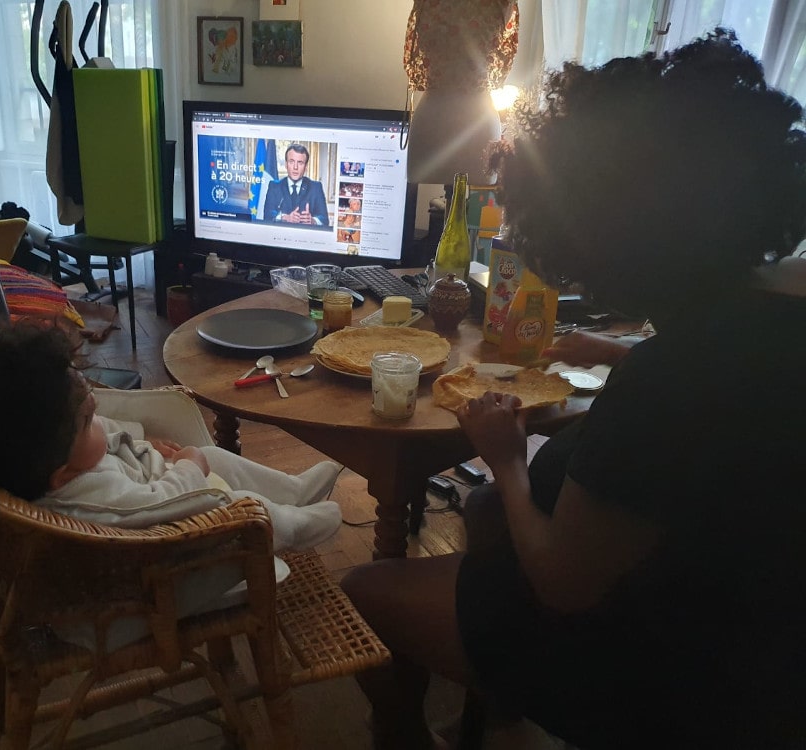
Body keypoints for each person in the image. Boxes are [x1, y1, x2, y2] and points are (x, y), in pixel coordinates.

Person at [341, 29, 806, 750]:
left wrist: (507, 456)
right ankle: (497, 712)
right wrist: (619, 349)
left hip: (674, 666)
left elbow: (563, 584)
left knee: (367, 589)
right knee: (491, 509)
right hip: (764, 621)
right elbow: (722, 381)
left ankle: (411, 732)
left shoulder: (671, 382)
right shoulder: (777, 303)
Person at [0, 321, 343, 555]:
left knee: (213, 455)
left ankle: (294, 490)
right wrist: (189, 467)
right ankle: (291, 526)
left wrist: (148, 442)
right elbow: (162, 505)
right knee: (241, 506)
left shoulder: (55, 458)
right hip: (174, 550)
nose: (101, 422)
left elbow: (109, 439)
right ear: (61, 475)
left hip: (155, 485)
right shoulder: (91, 498)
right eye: (89, 419)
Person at [263, 143, 329, 226]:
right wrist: (284, 218)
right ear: (286, 164)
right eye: (291, 162)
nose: (295, 167)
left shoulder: (316, 187)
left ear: (306, 167)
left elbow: (325, 220)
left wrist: (313, 221)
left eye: (300, 163)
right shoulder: (274, 186)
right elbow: (267, 215)